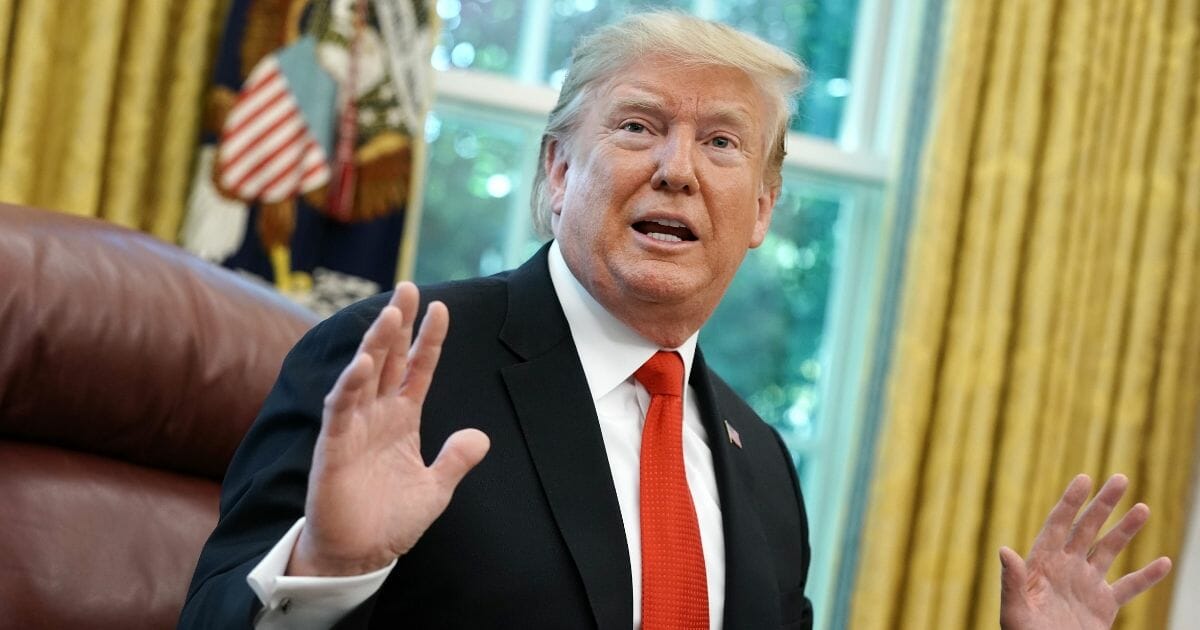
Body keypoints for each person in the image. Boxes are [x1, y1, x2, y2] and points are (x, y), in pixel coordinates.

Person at [180, 11, 1171, 629]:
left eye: (722, 141)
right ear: (557, 171)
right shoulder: (397, 366)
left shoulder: (761, 466)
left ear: (764, 213)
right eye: (639, 125)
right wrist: (328, 569)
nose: (677, 169)